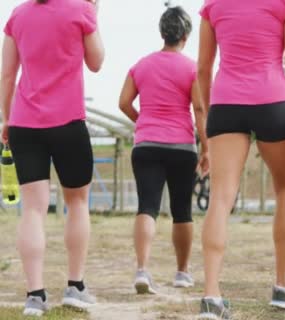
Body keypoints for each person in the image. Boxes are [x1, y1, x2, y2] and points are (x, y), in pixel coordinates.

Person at [197, 0, 285, 318]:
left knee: (220, 201)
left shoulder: (213, 4)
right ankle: (282, 286)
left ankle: (211, 296)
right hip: (272, 100)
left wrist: (213, 115)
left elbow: (202, 68)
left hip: (225, 104)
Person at [0, 0, 104, 316]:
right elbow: (96, 62)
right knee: (77, 202)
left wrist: (6, 119)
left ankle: (34, 296)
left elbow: (7, 74)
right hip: (69, 122)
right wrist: (94, 15)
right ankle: (75, 287)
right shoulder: (81, 10)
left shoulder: (18, 14)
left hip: (24, 124)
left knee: (32, 209)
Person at [118, 5, 205, 294]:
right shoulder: (193, 68)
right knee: (182, 211)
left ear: (162, 33)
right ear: (186, 35)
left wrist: (143, 121)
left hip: (147, 146)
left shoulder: (141, 65)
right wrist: (207, 147)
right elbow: (200, 108)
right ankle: (182, 273)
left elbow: (123, 103)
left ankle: (142, 270)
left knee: (147, 207)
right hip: (182, 146)